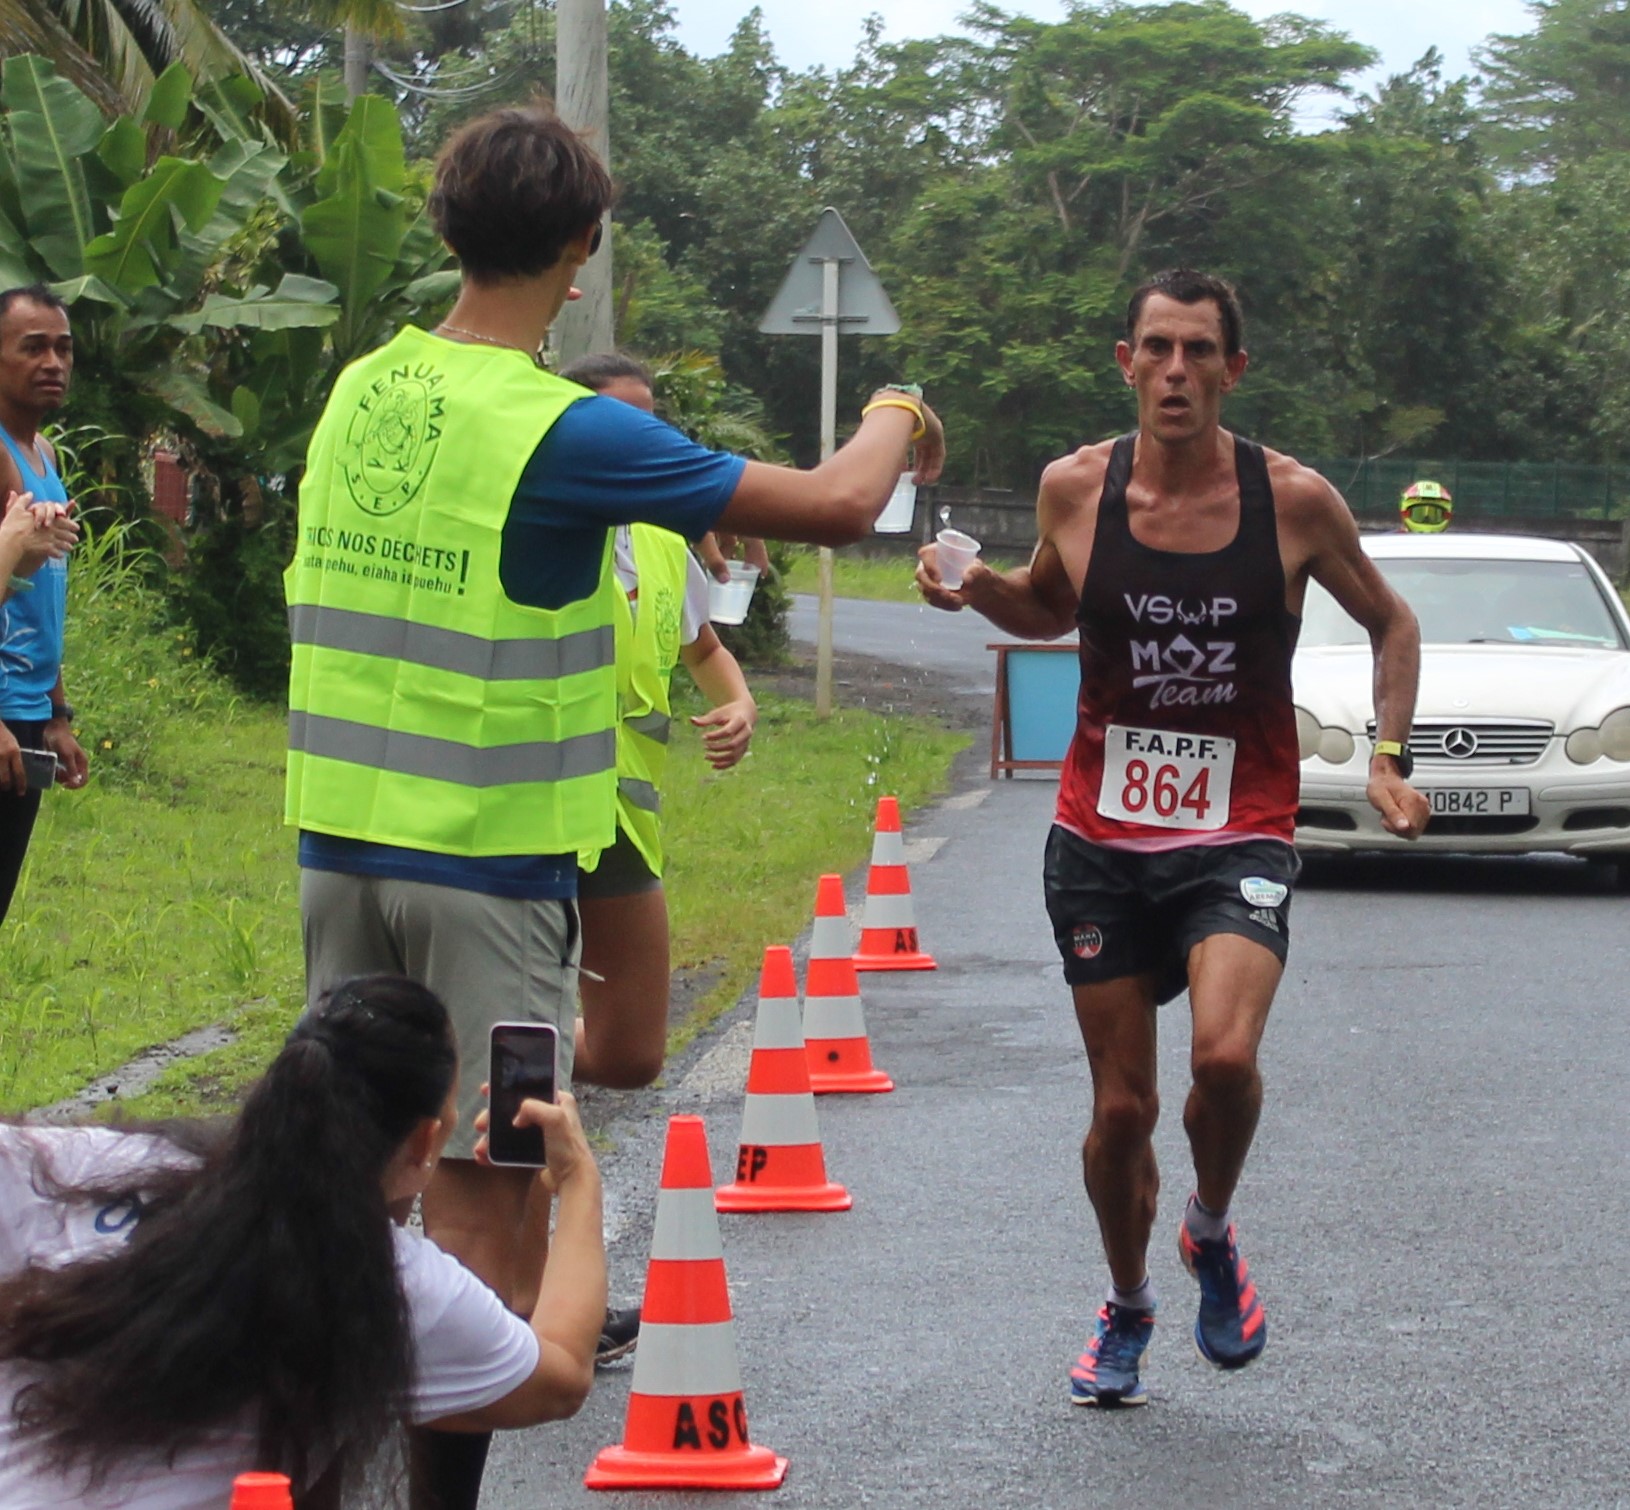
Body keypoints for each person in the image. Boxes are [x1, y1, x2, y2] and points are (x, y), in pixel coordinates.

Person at [287, 103, 942, 1505]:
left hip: (337, 846)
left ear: (445, 225)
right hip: (486, 868)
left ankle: (301, 1473)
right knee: (485, 1198)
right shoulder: (560, 429)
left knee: (344, 1186)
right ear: (581, 252)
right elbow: (831, 505)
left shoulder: (360, 390)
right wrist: (897, 412)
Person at [917, 268, 1429, 1407]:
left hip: (1237, 824)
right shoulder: (1074, 488)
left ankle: (1207, 1225)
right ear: (1126, 363)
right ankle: (1130, 1301)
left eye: (1200, 351)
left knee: (1225, 1060)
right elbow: (1048, 607)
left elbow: (1392, 619)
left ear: (1232, 370)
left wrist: (1392, 757)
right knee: (1120, 1112)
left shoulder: (1291, 501)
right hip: (1100, 833)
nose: (1177, 371)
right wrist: (975, 588)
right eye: (1157, 349)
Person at [0, 974, 605, 1510]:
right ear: (425, 1144)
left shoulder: (95, 1167)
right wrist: (577, 1182)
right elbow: (562, 1372)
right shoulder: (395, 1285)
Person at [549, 352, 758, 1359]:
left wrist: (739, 701)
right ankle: (528, 1296)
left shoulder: (663, 541)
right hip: (529, 814)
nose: (644, 442)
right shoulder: (543, 522)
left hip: (622, 826)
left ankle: (494, 1063)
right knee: (517, 1067)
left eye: (655, 424)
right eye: (620, 422)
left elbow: (702, 649)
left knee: (628, 1052)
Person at [0, 285, 87, 927]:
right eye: (32, 348)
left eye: (62, 348)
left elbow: (41, 599)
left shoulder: (44, 455)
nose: (52, 362)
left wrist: (57, 712)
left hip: (27, 714)